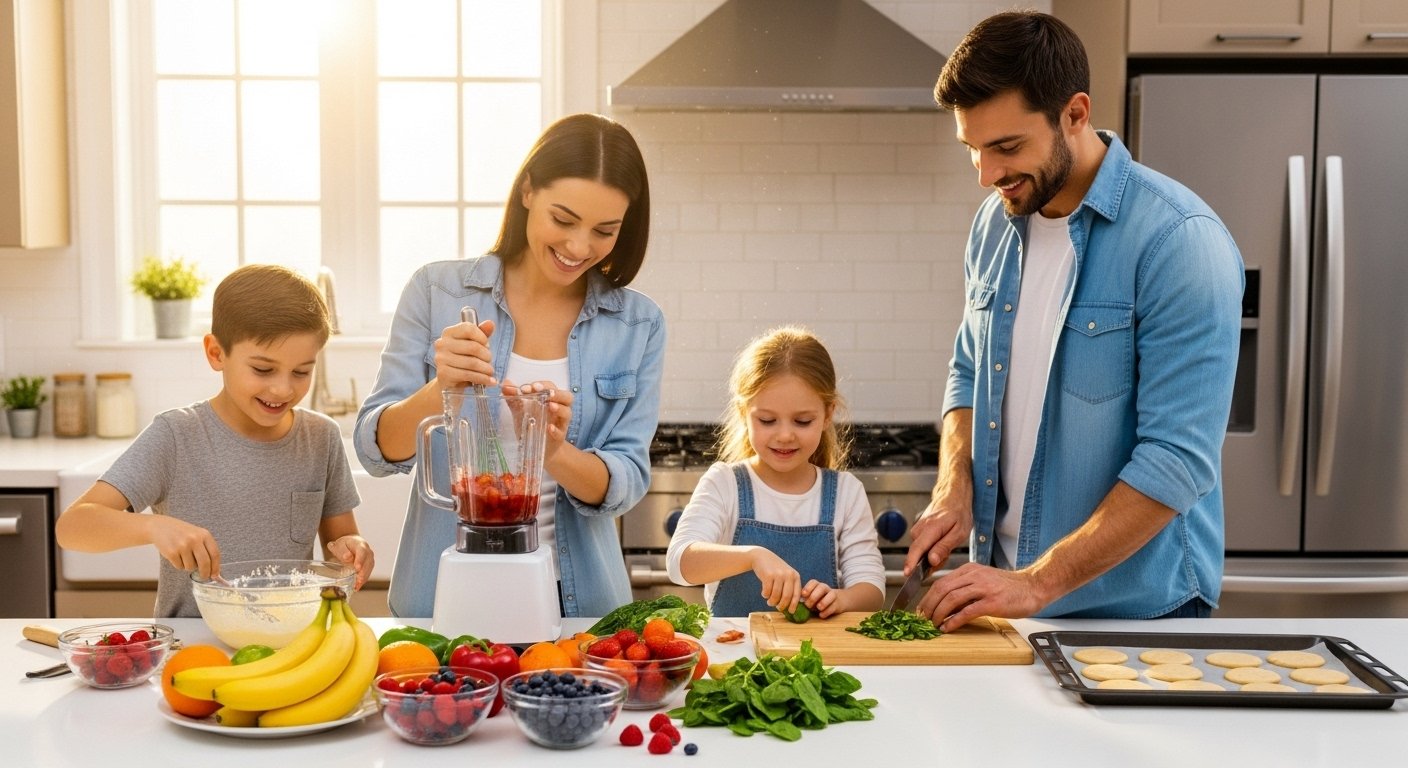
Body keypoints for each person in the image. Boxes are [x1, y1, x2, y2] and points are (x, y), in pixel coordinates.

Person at [905, 11, 1244, 631]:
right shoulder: (994, 224)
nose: (987, 174)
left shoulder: (1179, 241)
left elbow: (1176, 460)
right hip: (1002, 599)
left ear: (1075, 114)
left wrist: (1039, 583)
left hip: (1132, 618)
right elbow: (967, 371)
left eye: (1007, 147)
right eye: (972, 150)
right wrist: (954, 484)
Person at [354, 113, 663, 619]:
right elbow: (375, 450)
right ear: (526, 192)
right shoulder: (436, 292)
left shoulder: (638, 324)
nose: (579, 247)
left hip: (577, 605)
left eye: (604, 230)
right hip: (440, 599)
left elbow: (626, 481)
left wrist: (556, 451)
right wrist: (442, 390)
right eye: (563, 220)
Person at [55, 264, 375, 617]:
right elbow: (73, 527)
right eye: (263, 370)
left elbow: (337, 550)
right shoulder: (176, 436)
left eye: (301, 371)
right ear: (216, 353)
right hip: (193, 646)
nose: (283, 388)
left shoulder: (321, 438)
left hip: (289, 644)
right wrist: (152, 526)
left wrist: (351, 550)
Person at [666, 327, 885, 618]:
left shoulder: (846, 492)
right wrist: (753, 556)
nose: (784, 435)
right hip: (733, 655)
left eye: (802, 421)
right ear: (744, 413)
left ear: (828, 414)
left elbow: (872, 588)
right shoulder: (725, 483)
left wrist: (842, 599)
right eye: (767, 420)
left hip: (818, 659)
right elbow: (680, 562)